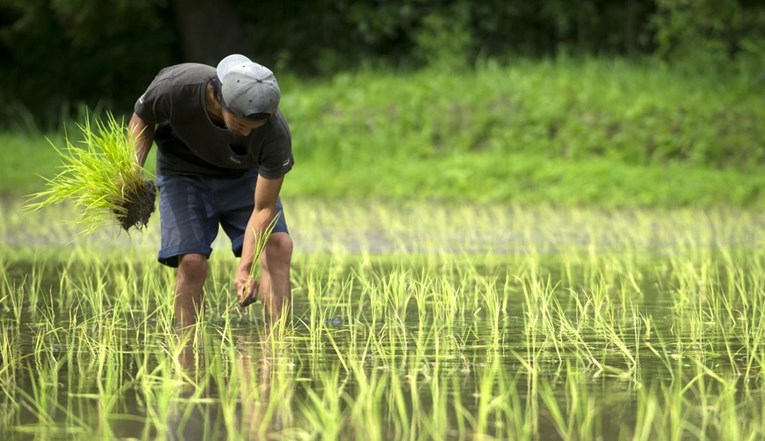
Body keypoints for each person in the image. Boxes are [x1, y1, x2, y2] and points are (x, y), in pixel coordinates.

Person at [127, 54, 294, 326]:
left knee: (278, 245)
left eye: (254, 128)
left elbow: (263, 209)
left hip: (243, 175)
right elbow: (143, 118)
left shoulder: (275, 134)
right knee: (192, 261)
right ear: (219, 99)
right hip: (183, 173)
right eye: (240, 125)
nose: (246, 134)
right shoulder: (176, 86)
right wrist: (132, 172)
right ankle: (187, 350)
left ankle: (276, 346)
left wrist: (245, 269)